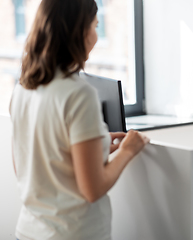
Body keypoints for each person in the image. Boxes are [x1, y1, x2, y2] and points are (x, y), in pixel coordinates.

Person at [9, 0, 149, 239]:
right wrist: (128, 150)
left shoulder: (22, 89)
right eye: (94, 26)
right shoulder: (78, 94)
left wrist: (97, 145)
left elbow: (34, 164)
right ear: (79, 31)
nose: (95, 37)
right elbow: (93, 189)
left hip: (29, 231)